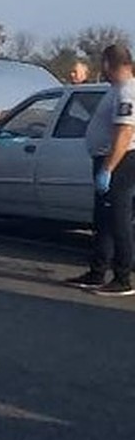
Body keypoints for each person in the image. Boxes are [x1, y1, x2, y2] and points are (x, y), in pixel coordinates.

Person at [65, 44, 135, 296]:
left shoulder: (127, 91)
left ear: (107, 63)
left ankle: (123, 277)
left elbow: (125, 131)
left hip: (120, 161)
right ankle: (97, 271)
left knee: (119, 220)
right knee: (103, 220)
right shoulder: (116, 89)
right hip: (109, 159)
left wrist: (108, 167)